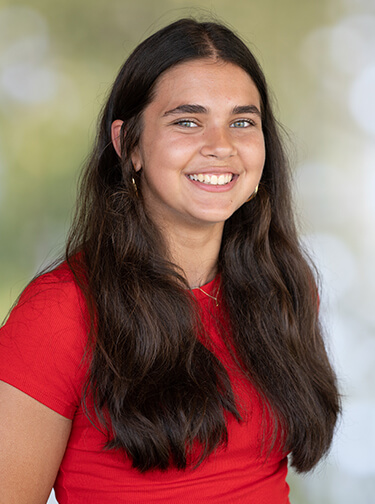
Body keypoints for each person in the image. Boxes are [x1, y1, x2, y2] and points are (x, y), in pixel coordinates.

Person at [0, 18, 340, 504]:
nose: (220, 146)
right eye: (187, 120)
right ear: (129, 144)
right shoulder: (60, 313)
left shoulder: (285, 286)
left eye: (242, 122)